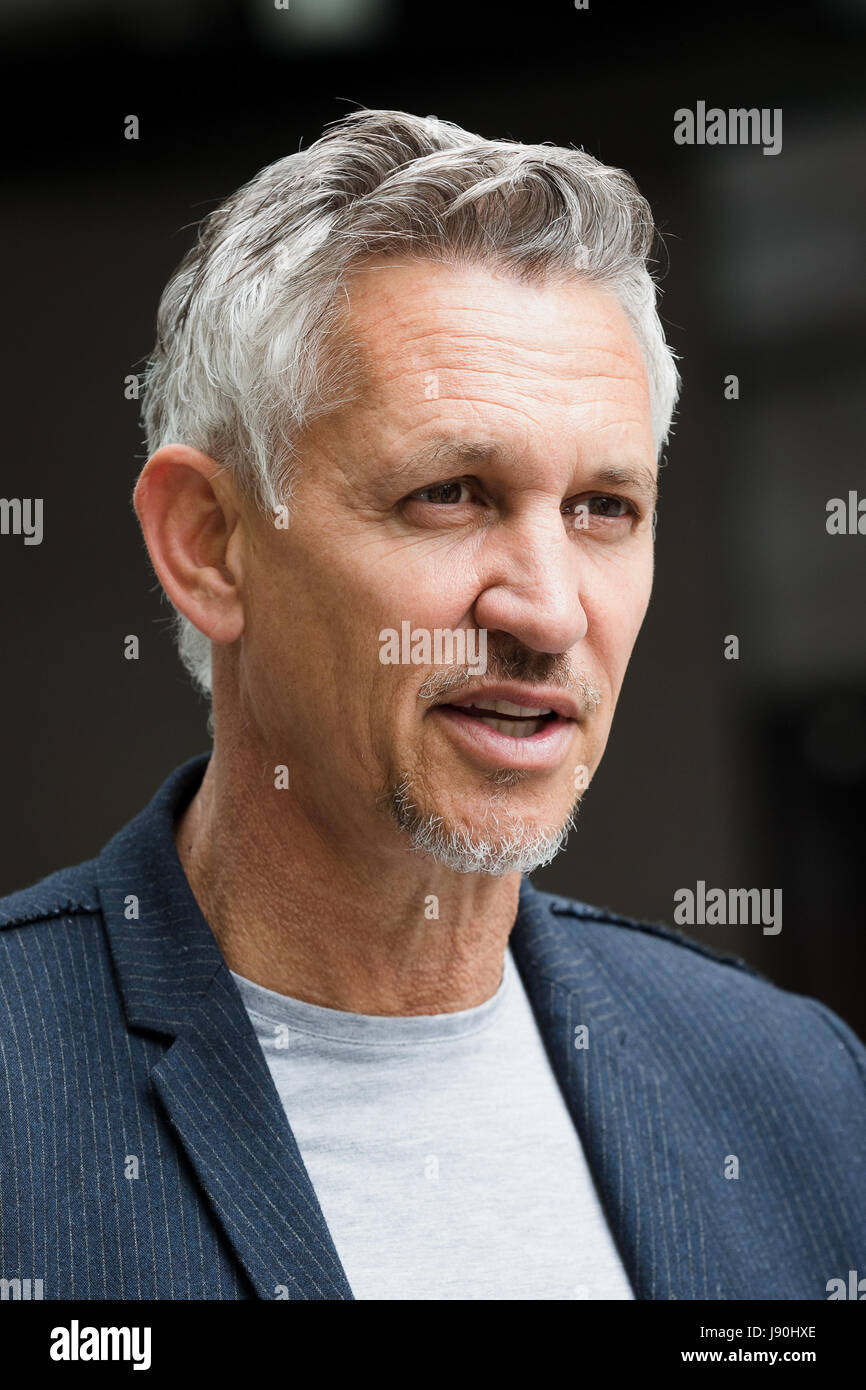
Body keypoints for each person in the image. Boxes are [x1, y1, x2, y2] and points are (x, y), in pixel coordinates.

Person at [1, 109, 863, 1301]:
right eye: (450, 493)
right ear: (209, 545)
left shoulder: (799, 1094)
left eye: (602, 507)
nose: (549, 612)